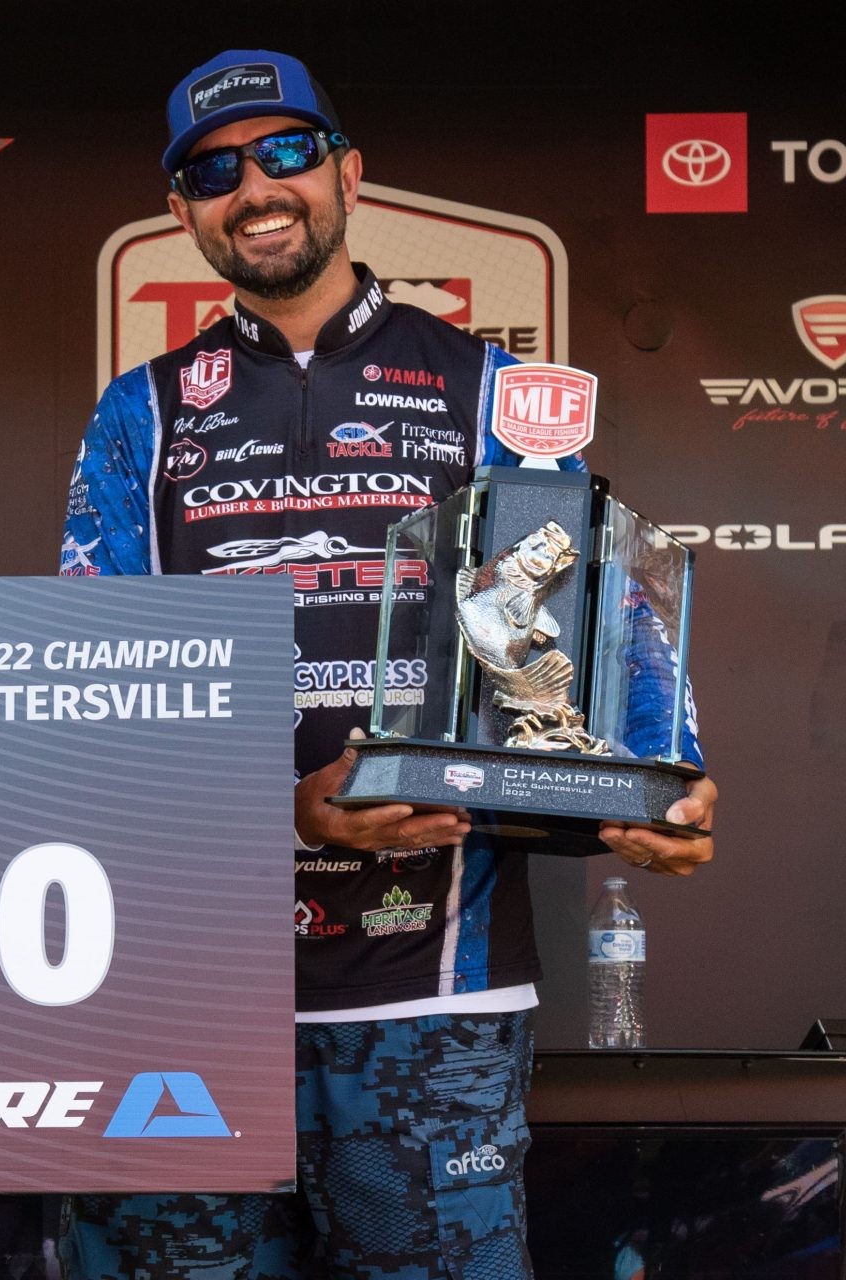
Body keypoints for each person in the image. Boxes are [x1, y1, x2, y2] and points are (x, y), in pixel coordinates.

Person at [57, 50, 718, 1280]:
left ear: (348, 173)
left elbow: (604, 613)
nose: (256, 187)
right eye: (214, 170)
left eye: (286, 152)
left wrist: (659, 772)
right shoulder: (139, 413)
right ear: (183, 210)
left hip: (435, 993)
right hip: (193, 996)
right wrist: (280, 809)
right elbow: (99, 696)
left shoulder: (491, 389)